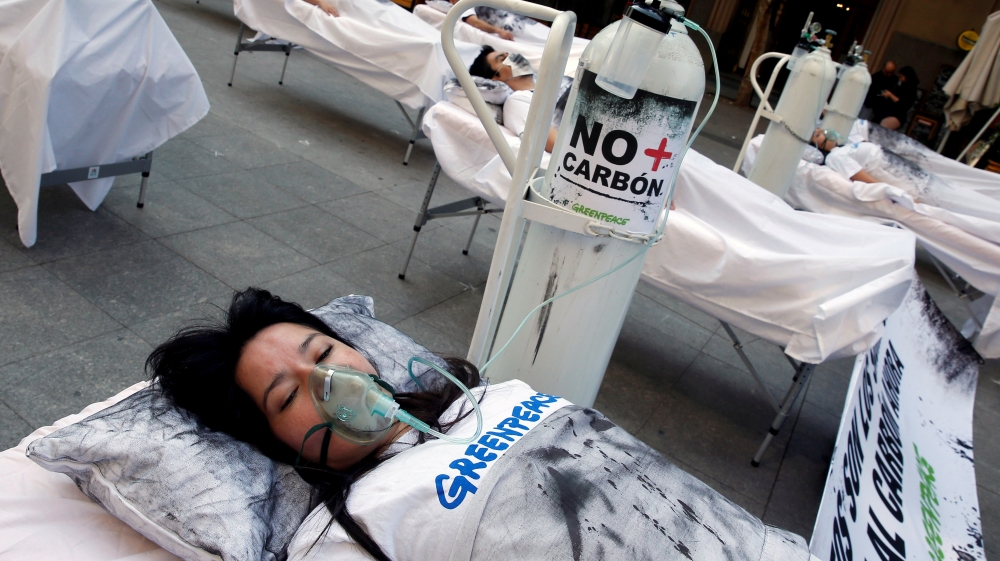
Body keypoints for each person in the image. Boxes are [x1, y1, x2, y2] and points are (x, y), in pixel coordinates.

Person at [149, 288, 812, 561]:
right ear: (277, 441)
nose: (325, 383)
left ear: (356, 352)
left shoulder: (484, 396)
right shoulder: (350, 529)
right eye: (286, 393)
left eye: (322, 355)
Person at [468, 45, 567, 152]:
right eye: (503, 58)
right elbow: (555, 145)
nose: (513, 57)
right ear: (495, 78)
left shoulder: (552, 82)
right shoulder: (517, 101)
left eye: (509, 54)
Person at [871, 66, 919, 131]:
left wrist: (890, 95)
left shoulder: (911, 90)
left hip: (897, 115)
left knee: (881, 129)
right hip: (886, 112)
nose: (900, 79)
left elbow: (902, 104)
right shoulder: (901, 86)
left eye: (901, 77)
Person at [449, 0, 514, 40]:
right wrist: (498, 31)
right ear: (452, 1)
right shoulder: (463, 6)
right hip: (513, 24)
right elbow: (475, 22)